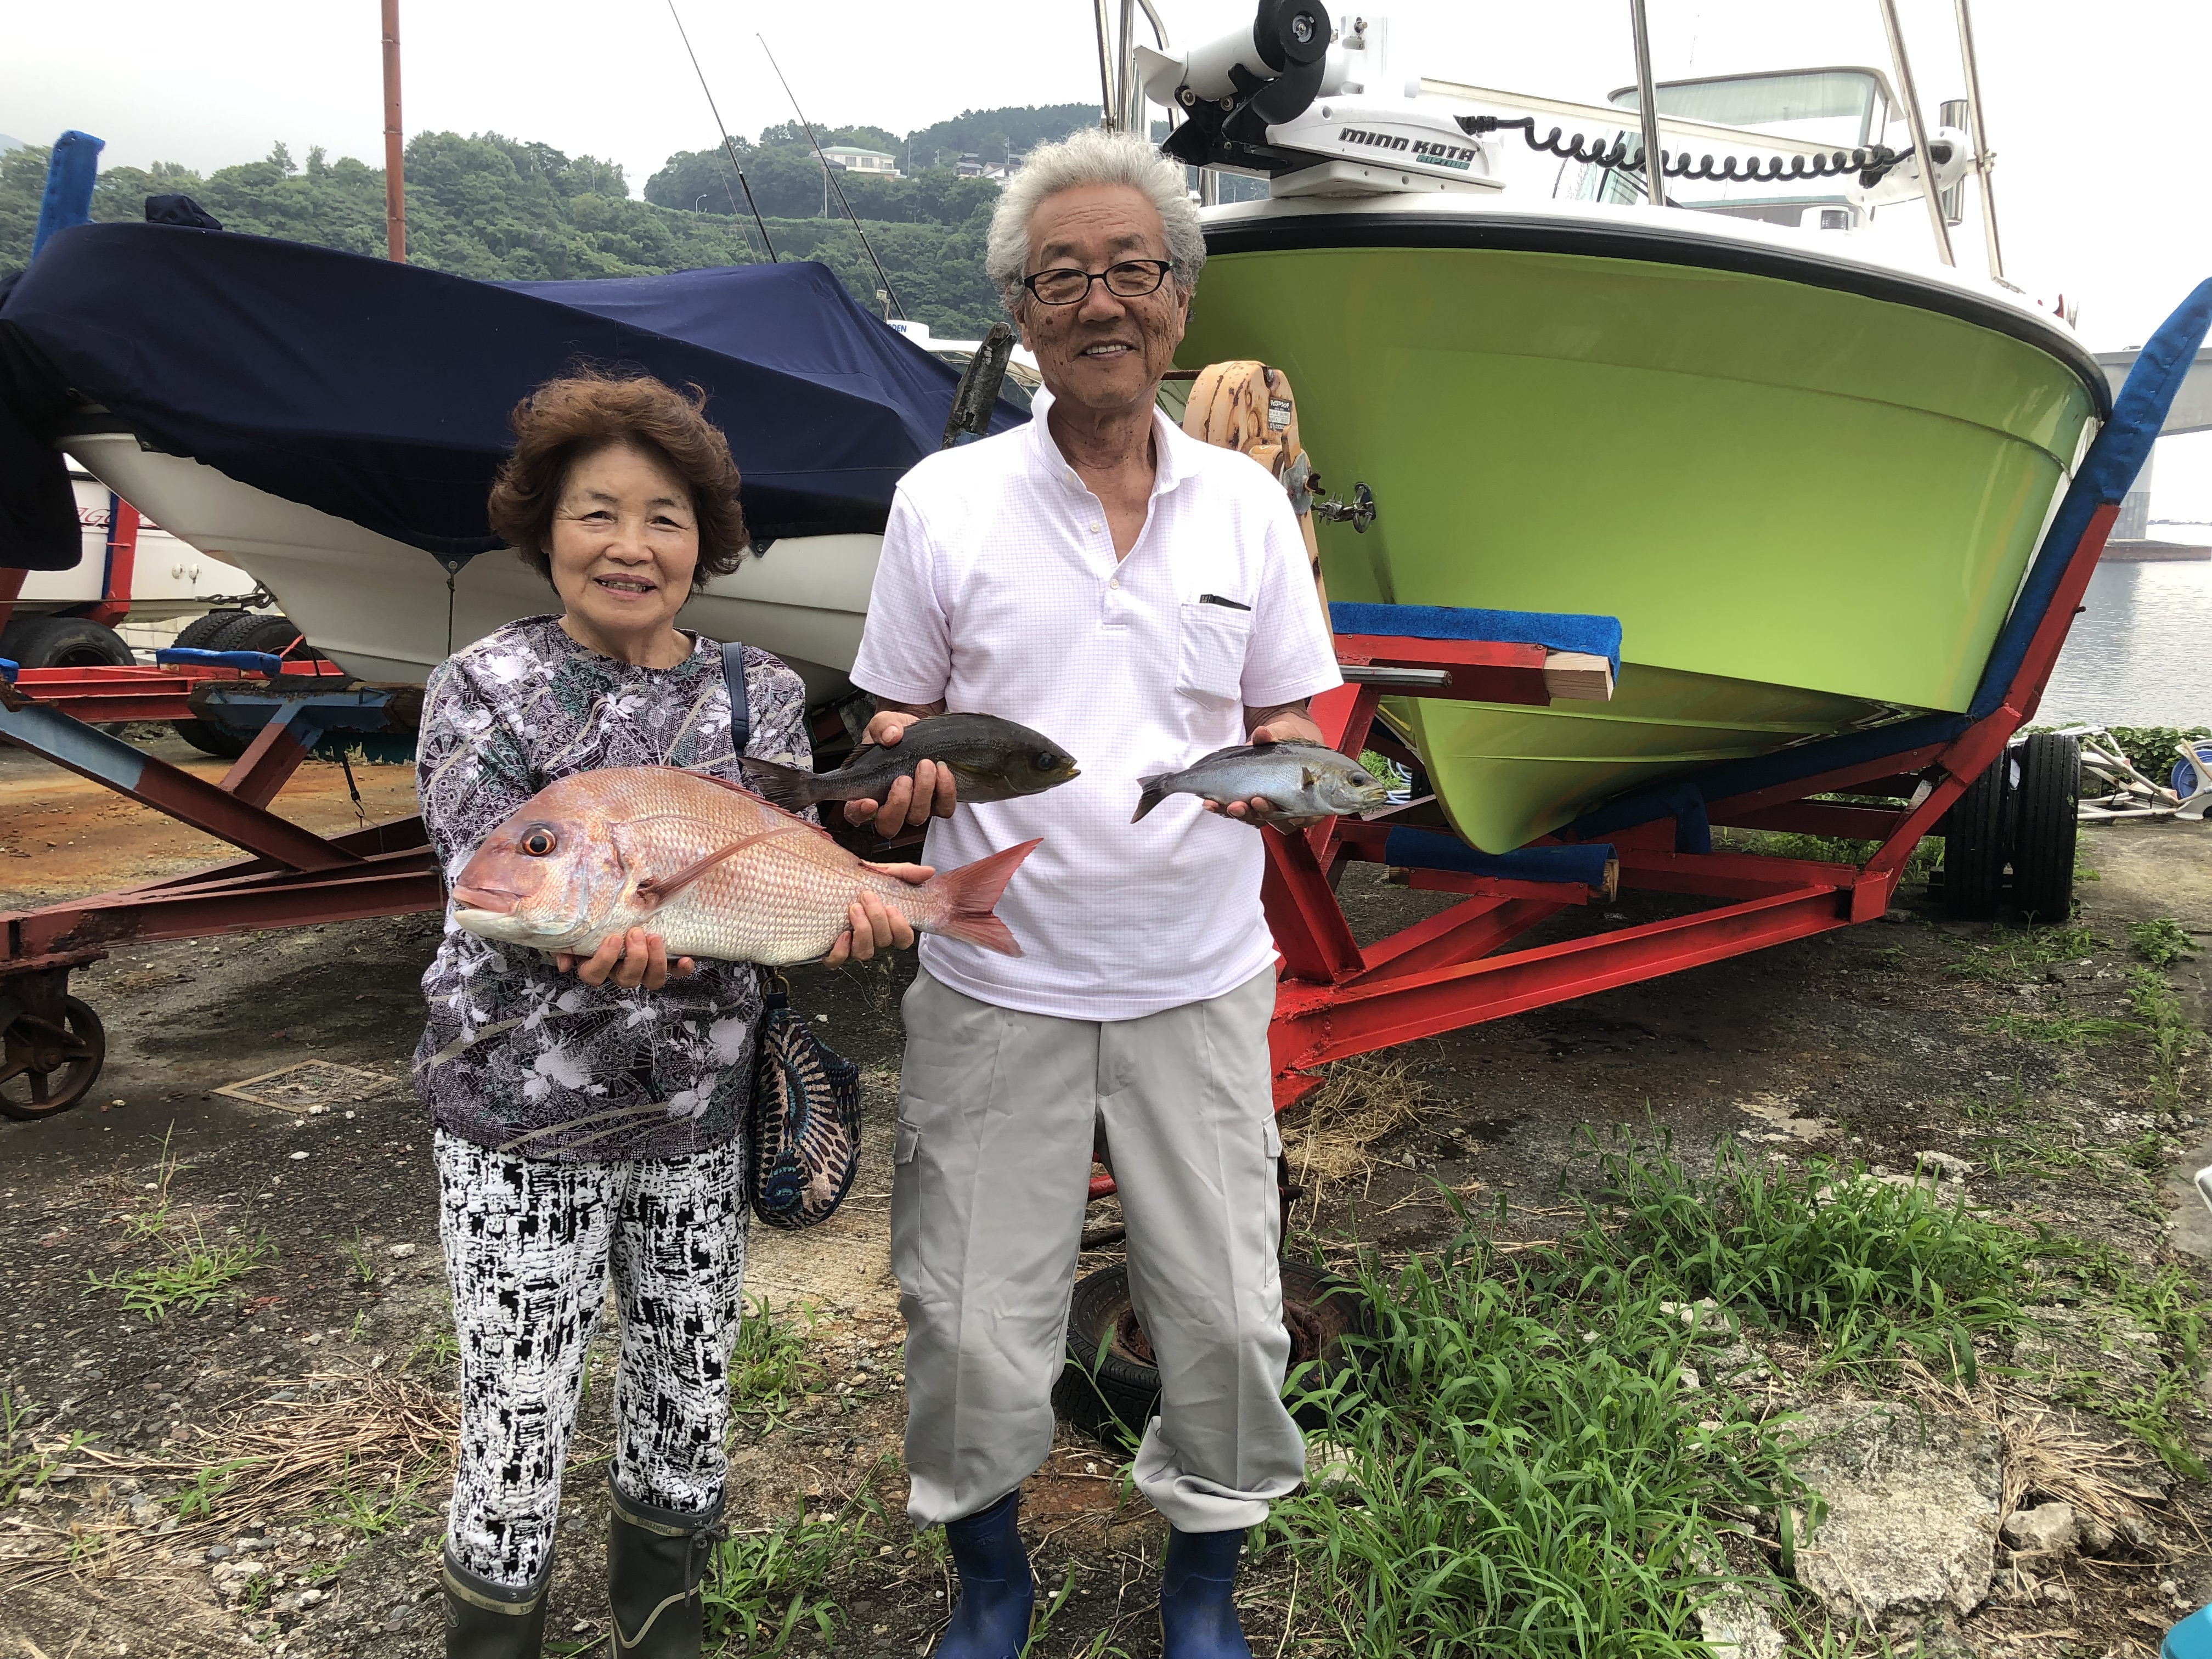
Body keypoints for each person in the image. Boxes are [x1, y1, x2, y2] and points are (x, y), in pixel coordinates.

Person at [847, 129, 1342, 1658]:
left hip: (1198, 975)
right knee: (971, 1326)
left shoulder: (1250, 510)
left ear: (1180, 303)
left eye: (1133, 269)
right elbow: (886, 722)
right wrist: (899, 780)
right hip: (998, 984)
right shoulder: (943, 499)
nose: (1101, 301)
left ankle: (1206, 1588)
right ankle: (992, 1581)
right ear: (1022, 311)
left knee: (1229, 1318)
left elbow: (1300, 716)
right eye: (1063, 276)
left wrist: (1282, 759)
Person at [413, 370, 919, 1659]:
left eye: (665, 517)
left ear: (706, 540)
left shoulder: (755, 690)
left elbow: (785, 875)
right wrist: (595, 942)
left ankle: (665, 1624)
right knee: (520, 1399)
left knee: (689, 1384)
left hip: (699, 1114)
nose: (630, 547)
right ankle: (495, 1637)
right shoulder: (483, 685)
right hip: (521, 1123)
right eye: (596, 513)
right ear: (545, 528)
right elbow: (488, 888)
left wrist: (855, 909)